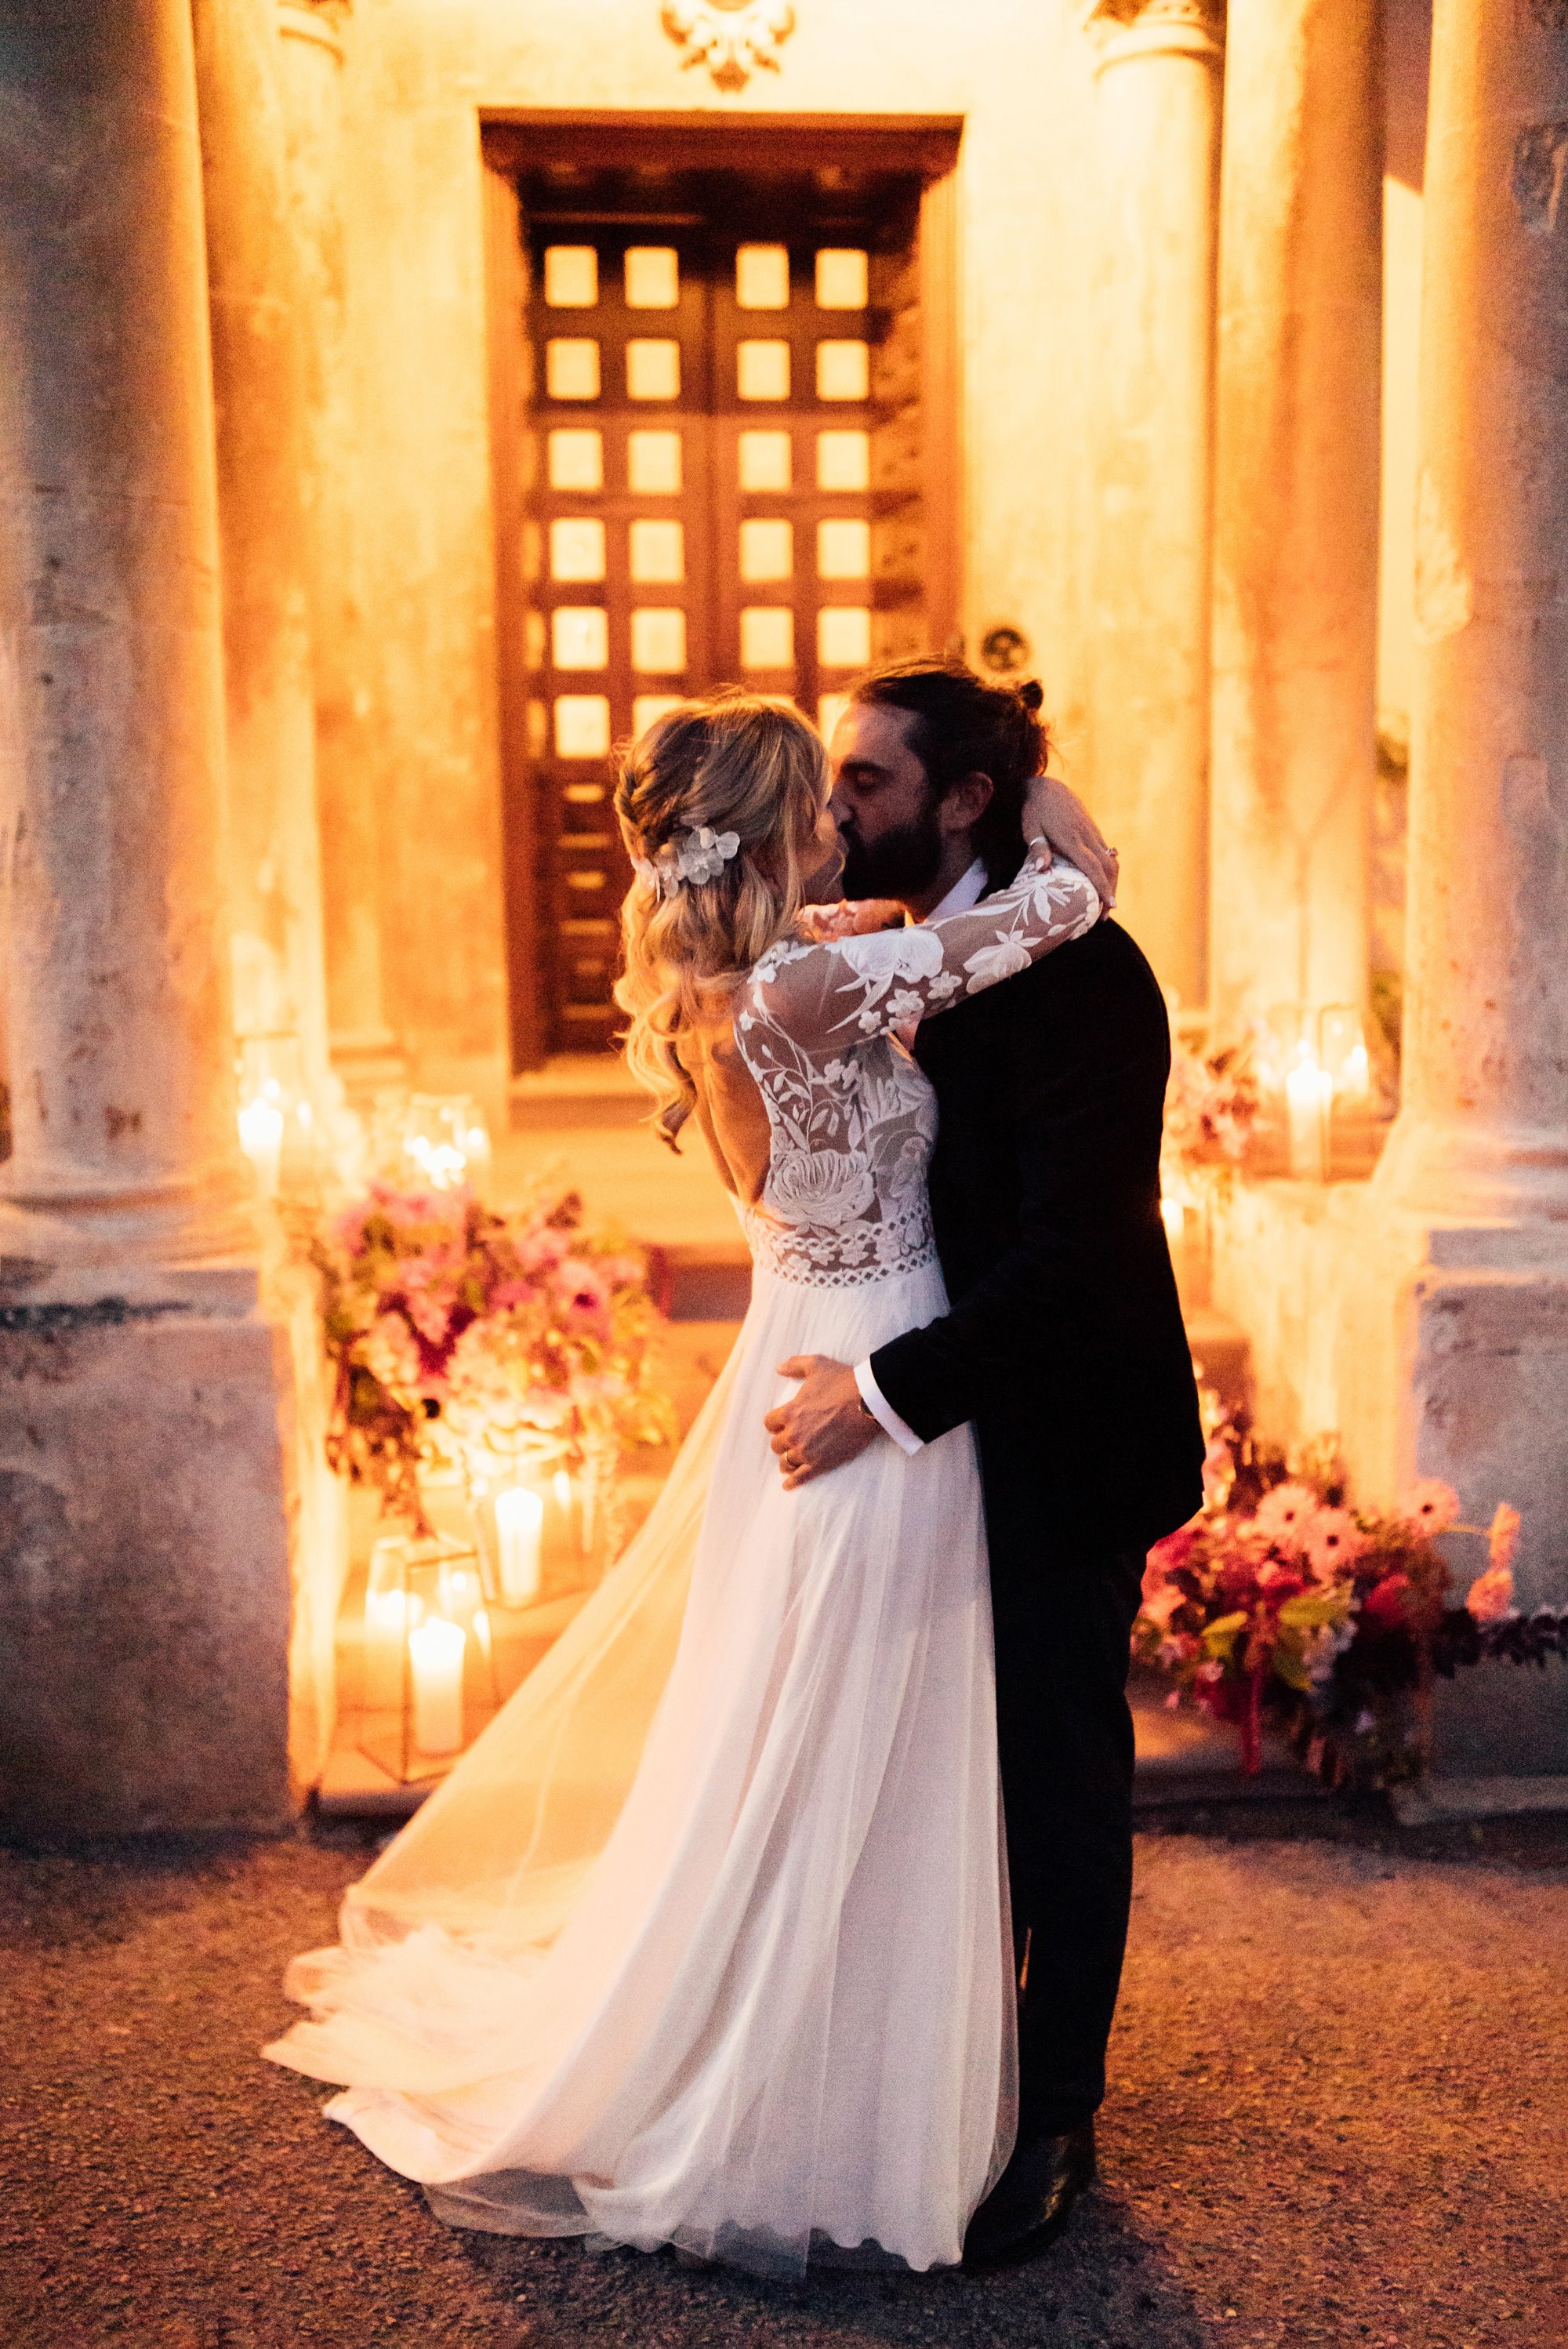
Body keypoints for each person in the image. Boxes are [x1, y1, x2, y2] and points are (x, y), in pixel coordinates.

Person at [265, 689, 1116, 2277]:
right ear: (779, 821)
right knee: (858, 1710)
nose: (844, 822)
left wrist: (888, 907)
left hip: (808, 1331)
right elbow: (1029, 929)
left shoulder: (729, 987)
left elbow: (878, 941)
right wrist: (1074, 860)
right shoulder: (807, 987)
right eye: (825, 797)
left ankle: (831, 2041)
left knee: (810, 1708)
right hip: (863, 1363)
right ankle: (820, 2089)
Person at [764, 658, 1204, 2270]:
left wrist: (880, 1390)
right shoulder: (894, 943)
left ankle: (1058, 2115)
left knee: (1059, 1788)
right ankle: (930, 2068)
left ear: (962, 798)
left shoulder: (1093, 977)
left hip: (1056, 1438)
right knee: (926, 1773)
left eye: (867, 781)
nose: (836, 809)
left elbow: (1077, 1256)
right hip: (924, 1444)